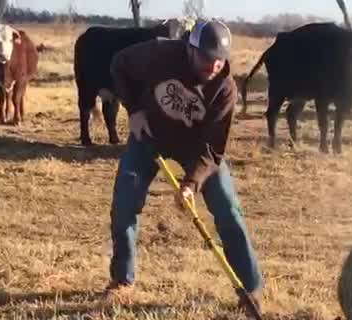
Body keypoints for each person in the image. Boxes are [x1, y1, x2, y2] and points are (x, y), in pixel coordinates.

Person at [106, 19, 263, 305]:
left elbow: (214, 148)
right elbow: (120, 64)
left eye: (219, 60)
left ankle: (250, 289)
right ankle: (122, 278)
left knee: (228, 210)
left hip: (197, 148)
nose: (213, 66)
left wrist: (191, 183)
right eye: (206, 58)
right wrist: (135, 110)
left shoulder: (225, 89)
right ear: (190, 48)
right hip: (150, 136)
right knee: (125, 203)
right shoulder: (159, 53)